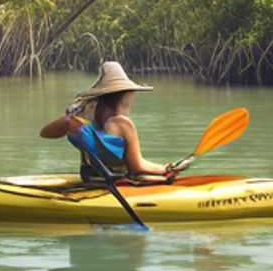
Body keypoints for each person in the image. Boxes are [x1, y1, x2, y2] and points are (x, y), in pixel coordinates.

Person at [40, 61, 175, 181]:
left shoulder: (87, 124)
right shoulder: (123, 125)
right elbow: (137, 166)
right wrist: (165, 169)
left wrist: (69, 119)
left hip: (90, 181)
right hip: (114, 184)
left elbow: (44, 133)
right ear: (125, 96)